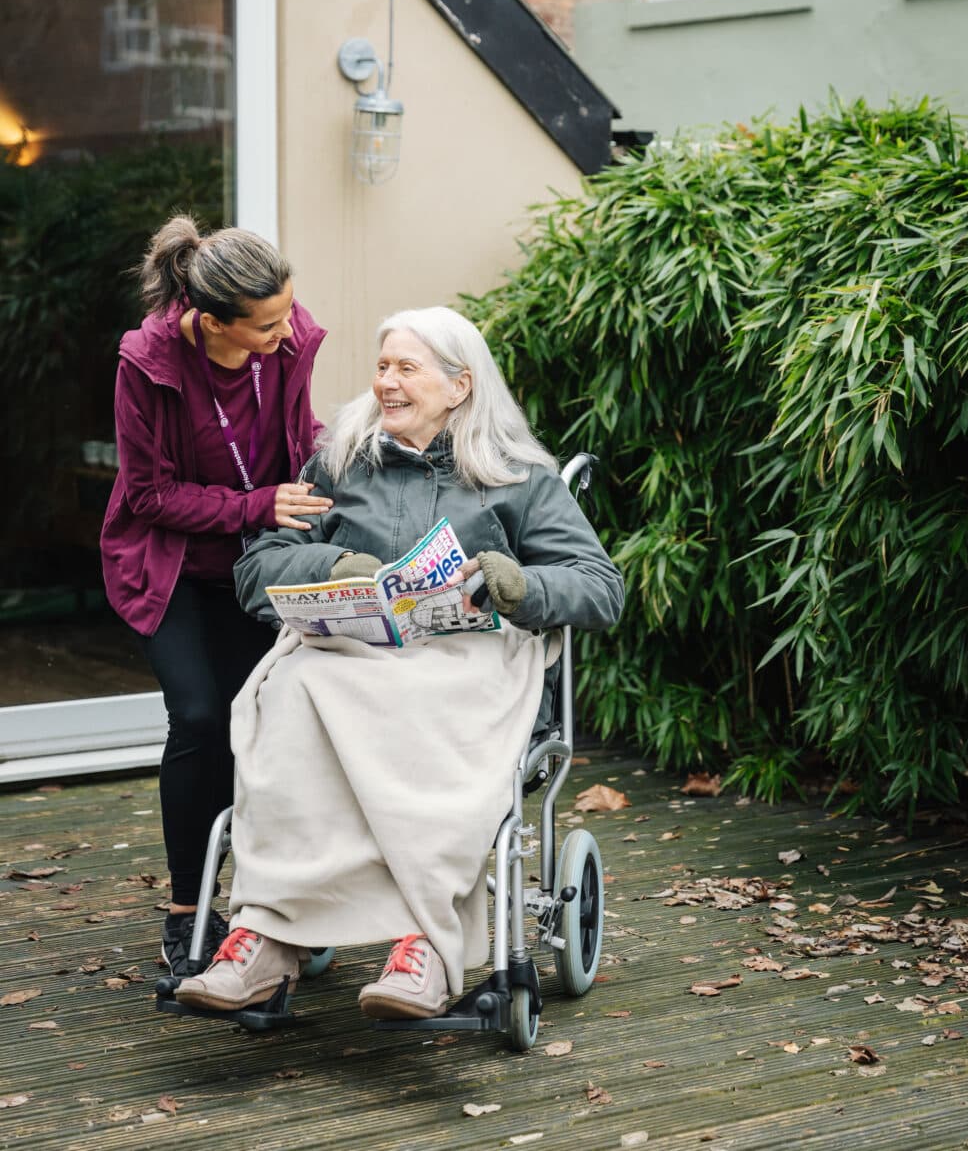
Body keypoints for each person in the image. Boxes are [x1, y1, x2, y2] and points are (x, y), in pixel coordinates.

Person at [175, 306, 624, 1019]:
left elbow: (601, 587)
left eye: (406, 368)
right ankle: (264, 939)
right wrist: (336, 564)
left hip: (471, 661)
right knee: (288, 690)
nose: (386, 381)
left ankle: (427, 947)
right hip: (354, 654)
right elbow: (257, 566)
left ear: (459, 386)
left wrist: (520, 585)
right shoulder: (343, 462)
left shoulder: (519, 478)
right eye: (382, 366)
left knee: (425, 699)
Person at [100, 215, 331, 978]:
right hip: (173, 566)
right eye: (264, 325)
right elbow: (148, 494)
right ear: (211, 319)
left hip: (262, 565)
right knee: (200, 716)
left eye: (285, 313)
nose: (283, 332)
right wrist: (255, 505)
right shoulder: (150, 361)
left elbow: (297, 433)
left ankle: (277, 904)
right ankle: (187, 909)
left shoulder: (285, 336)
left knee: (273, 719)